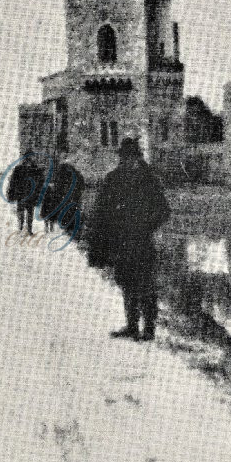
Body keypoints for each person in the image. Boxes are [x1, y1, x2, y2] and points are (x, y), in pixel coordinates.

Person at [89, 138, 170, 342]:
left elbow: (163, 210)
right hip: (122, 241)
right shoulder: (113, 179)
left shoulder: (149, 179)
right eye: (126, 158)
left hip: (143, 242)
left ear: (138, 158)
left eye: (133, 157)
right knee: (127, 283)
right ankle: (132, 326)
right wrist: (101, 242)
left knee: (146, 285)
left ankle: (149, 330)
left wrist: (147, 227)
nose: (129, 162)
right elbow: (101, 212)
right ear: (122, 158)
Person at [41, 160, 84, 233]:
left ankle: (65, 227)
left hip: (66, 197)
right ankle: (67, 227)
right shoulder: (76, 174)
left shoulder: (63, 173)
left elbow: (58, 185)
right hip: (70, 197)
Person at [6, 154, 44, 235]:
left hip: (31, 195)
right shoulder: (18, 169)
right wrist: (11, 194)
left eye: (31, 158)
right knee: (21, 212)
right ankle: (21, 228)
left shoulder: (36, 169)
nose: (29, 160)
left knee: (30, 213)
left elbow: (41, 182)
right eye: (28, 158)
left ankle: (29, 229)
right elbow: (13, 182)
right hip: (21, 195)